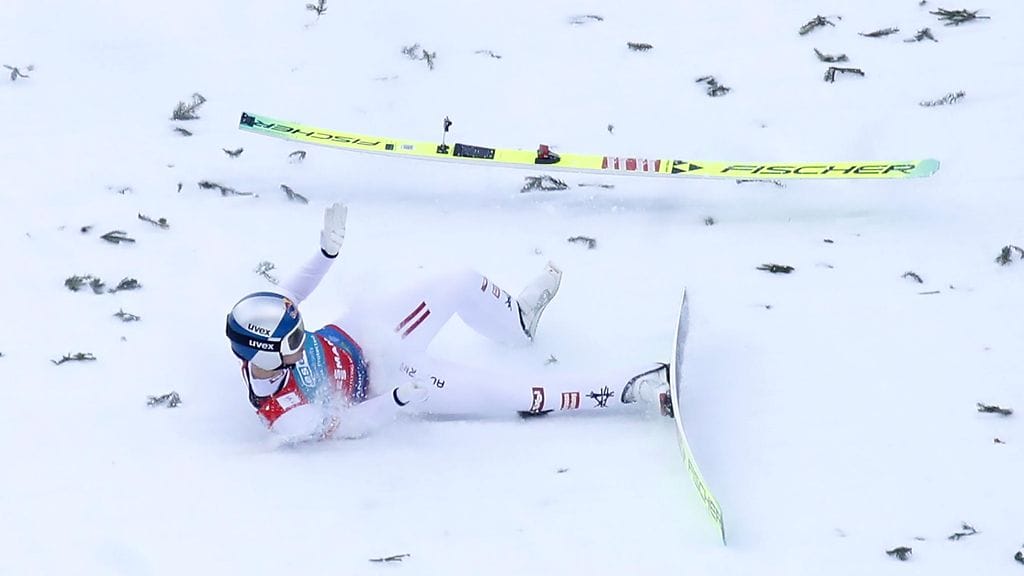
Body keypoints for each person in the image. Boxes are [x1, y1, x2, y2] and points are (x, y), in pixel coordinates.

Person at [225, 202, 671, 442]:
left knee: (458, 280)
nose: (301, 338)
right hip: (385, 380)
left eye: (300, 329)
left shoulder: (268, 320)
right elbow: (350, 426)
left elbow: (294, 292)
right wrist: (398, 401)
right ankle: (631, 387)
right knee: (517, 395)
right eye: (293, 340)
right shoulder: (288, 418)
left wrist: (327, 252)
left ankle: (517, 322)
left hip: (360, 333)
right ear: (266, 354)